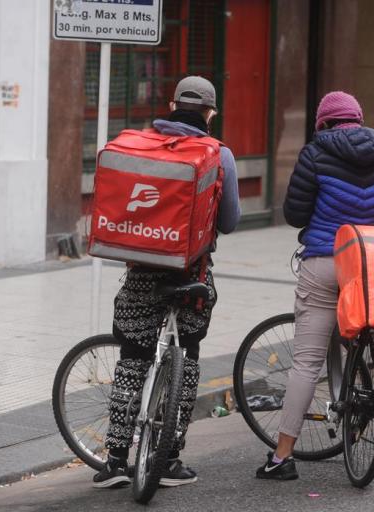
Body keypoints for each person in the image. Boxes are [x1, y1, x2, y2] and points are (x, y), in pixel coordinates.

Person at [256, 91, 374, 480]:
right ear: (359, 120)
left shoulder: (315, 155)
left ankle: (282, 456)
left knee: (307, 361)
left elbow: (295, 213)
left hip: (326, 262)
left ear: (324, 124)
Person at [93, 76, 241, 489]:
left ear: (172, 104)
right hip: (190, 276)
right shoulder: (219, 155)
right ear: (210, 113)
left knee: (132, 361)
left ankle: (115, 462)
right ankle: (170, 459)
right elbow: (228, 223)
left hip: (141, 272)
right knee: (186, 360)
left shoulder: (137, 145)